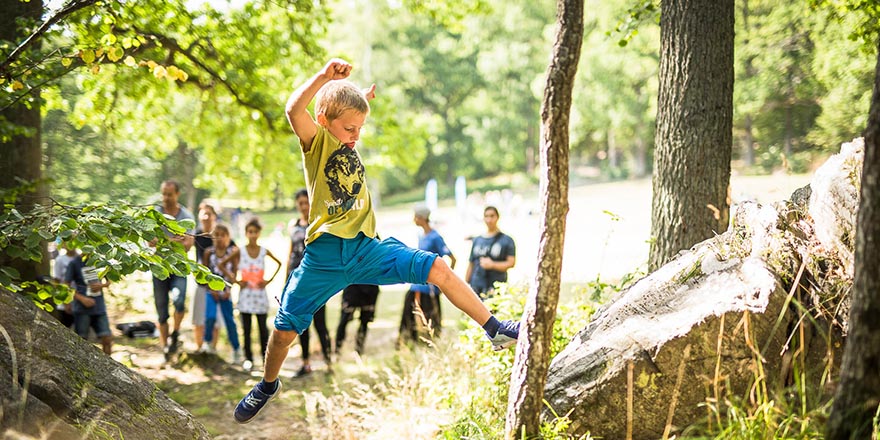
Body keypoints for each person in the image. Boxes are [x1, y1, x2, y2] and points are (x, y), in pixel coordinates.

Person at [234, 59, 520, 424]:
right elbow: (293, 109)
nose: (356, 135)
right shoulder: (317, 142)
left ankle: (494, 329)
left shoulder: (346, 138)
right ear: (323, 120)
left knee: (437, 266)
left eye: (360, 128)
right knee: (284, 330)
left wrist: (357, 98)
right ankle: (267, 384)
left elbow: (346, 110)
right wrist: (324, 78)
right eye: (349, 128)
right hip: (325, 255)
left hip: (368, 247)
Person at [288, 189, 333, 377]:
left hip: (316, 283)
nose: (304, 206)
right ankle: (305, 363)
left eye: (306, 203)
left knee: (320, 324)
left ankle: (329, 362)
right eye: (300, 203)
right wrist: (287, 279)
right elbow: (291, 253)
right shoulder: (294, 226)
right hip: (298, 282)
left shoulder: (319, 224)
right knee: (302, 325)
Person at [152, 179, 195, 360]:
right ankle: (165, 348)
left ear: (177, 194)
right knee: (162, 312)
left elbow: (188, 245)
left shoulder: (186, 216)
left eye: (169, 194)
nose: (166, 198)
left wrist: (164, 241)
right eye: (163, 194)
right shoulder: (155, 214)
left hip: (178, 267)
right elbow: (150, 241)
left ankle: (176, 334)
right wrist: (172, 241)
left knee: (179, 301)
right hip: (159, 267)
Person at [399, 205, 455, 344]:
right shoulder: (421, 236)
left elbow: (452, 258)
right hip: (417, 282)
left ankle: (433, 342)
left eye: (416, 217)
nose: (414, 219)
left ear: (422, 218)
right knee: (409, 312)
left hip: (430, 286)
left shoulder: (435, 237)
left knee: (432, 315)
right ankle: (408, 341)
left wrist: (445, 281)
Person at [237, 218, 282, 371]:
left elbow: (279, 263)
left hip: (260, 296)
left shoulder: (263, 251)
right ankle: (248, 358)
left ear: (259, 233)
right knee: (247, 330)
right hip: (245, 297)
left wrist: (268, 280)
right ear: (246, 233)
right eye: (250, 232)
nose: (253, 235)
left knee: (263, 329)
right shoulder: (241, 251)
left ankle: (265, 359)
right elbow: (224, 265)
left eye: (255, 232)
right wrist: (236, 281)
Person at [193, 202, 230, 353]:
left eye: (209, 213)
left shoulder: (220, 235)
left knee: (216, 320)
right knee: (199, 318)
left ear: (214, 216)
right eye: (204, 213)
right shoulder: (196, 235)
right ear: (199, 216)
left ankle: (212, 349)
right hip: (201, 283)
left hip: (218, 284)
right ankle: (200, 348)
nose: (207, 217)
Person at [203, 224, 243, 363]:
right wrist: (211, 289)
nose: (219, 238)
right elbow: (205, 273)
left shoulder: (232, 252)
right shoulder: (209, 252)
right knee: (210, 317)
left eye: (222, 235)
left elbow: (234, 274)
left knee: (229, 321)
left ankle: (237, 349)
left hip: (226, 292)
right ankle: (207, 343)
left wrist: (229, 290)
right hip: (211, 292)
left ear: (228, 237)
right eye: (216, 235)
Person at [66, 252, 113, 355]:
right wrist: (82, 299)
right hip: (82, 308)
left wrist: (101, 285)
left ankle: (109, 366)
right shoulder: (74, 263)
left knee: (107, 338)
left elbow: (110, 280)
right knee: (81, 340)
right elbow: (66, 286)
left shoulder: (101, 261)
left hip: (99, 307)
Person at [466, 206, 516, 299]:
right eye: (486, 216)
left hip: (496, 286)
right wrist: (466, 284)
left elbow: (511, 263)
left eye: (492, 216)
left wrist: (493, 265)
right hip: (476, 285)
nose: (489, 220)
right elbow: (471, 263)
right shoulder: (477, 240)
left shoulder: (506, 240)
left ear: (497, 217)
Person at [336, 284, 380, 355]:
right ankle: (337, 349)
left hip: (369, 288)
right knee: (344, 321)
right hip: (352, 287)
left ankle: (359, 350)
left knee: (364, 322)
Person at [52, 241, 77, 328]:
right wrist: (65, 302)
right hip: (66, 300)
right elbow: (57, 282)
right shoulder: (60, 260)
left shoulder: (81, 258)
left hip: (80, 300)